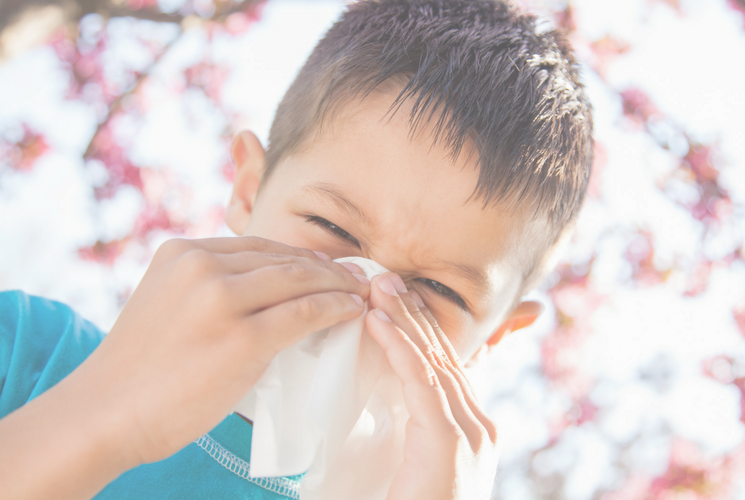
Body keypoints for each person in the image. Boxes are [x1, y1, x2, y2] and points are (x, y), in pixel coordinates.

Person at [0, 0, 593, 498]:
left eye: (437, 291)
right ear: (249, 188)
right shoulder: (24, 351)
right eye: (330, 227)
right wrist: (106, 419)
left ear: (492, 336)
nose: (368, 292)